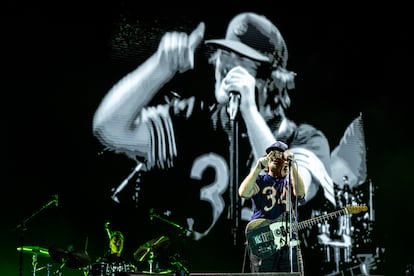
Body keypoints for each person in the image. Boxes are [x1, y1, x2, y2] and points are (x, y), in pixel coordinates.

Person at [93, 12, 336, 272]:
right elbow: (110, 129)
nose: (224, 65)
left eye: (241, 60)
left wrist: (249, 111)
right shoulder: (193, 120)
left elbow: (287, 194)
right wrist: (160, 67)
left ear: (270, 79)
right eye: (223, 53)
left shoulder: (305, 139)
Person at [238, 141, 306, 273]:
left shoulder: (291, 182)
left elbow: (300, 193)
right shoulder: (260, 180)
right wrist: (258, 167)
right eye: (271, 154)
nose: (275, 157)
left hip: (288, 240)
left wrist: (292, 166)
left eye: (279, 154)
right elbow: (243, 193)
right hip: (264, 239)